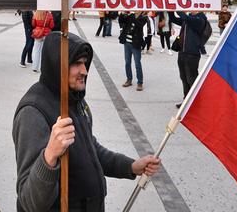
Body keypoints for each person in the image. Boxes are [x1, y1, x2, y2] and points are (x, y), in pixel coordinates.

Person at [12, 32, 161, 211]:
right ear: (58, 64)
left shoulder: (73, 99)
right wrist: (50, 155)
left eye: (84, 62)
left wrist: (130, 166)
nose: (84, 71)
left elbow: (90, 149)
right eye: (76, 63)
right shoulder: (33, 112)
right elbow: (30, 202)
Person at [169, 11, 208, 108]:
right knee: (184, 78)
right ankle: (186, 101)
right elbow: (173, 19)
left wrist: (179, 10)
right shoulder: (188, 17)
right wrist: (170, 10)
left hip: (192, 54)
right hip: (182, 52)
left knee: (192, 79)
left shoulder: (200, 19)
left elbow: (188, 19)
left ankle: (196, 102)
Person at [119, 12, 147, 91]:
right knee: (127, 62)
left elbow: (139, 25)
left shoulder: (144, 18)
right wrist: (122, 14)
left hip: (136, 44)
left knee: (137, 64)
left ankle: (140, 82)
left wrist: (135, 16)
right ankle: (129, 79)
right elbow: (121, 21)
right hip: (127, 43)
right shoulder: (130, 16)